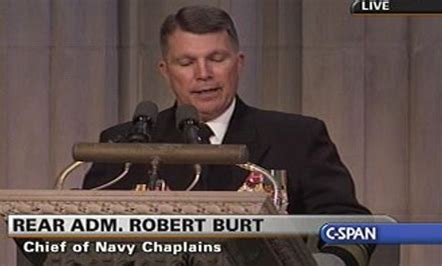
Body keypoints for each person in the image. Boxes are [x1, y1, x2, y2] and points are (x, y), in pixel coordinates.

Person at [83, 5, 372, 265]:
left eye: (216, 58)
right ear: (165, 71)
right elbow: (83, 235)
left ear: (239, 62)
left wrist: (329, 262)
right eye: (186, 63)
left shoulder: (297, 137)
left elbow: (351, 225)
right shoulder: (123, 146)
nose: (203, 73)